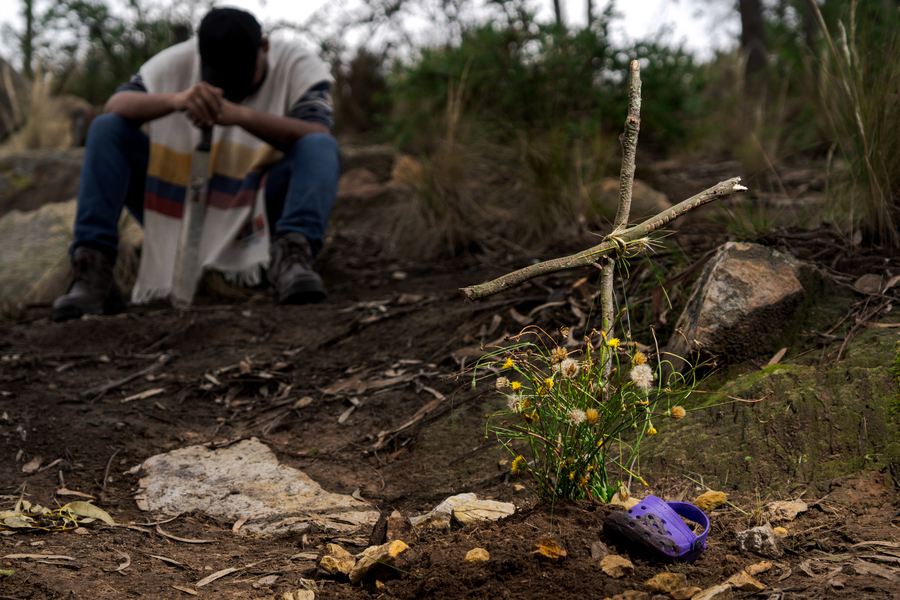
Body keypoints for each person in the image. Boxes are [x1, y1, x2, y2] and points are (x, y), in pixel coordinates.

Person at [52, 7, 340, 322]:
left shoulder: (296, 64)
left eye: (242, 78)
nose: (229, 88)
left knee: (319, 146)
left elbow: (317, 131)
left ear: (265, 47)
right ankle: (93, 269)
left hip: (254, 206)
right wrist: (176, 100)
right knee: (107, 128)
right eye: (218, 78)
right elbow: (115, 105)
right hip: (182, 202)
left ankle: (291, 258)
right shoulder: (177, 60)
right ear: (198, 54)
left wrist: (239, 115)